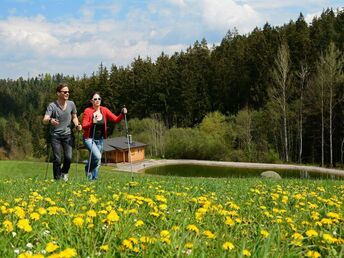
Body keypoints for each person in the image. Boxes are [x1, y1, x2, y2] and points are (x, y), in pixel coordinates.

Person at [82, 92, 127, 180]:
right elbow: (84, 125)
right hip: (89, 139)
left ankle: (94, 180)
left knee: (98, 162)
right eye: (95, 99)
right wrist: (92, 123)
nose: (97, 100)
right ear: (91, 101)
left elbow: (116, 119)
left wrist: (122, 113)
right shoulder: (88, 111)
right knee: (98, 156)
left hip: (100, 139)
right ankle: (88, 169)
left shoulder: (104, 110)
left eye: (99, 99)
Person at [43, 83, 82, 181]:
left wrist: (77, 125)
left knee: (68, 158)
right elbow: (45, 119)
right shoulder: (52, 106)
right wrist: (50, 120)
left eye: (68, 92)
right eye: (65, 92)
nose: (67, 93)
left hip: (67, 135)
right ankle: (57, 180)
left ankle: (64, 172)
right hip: (55, 135)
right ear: (58, 93)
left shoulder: (71, 104)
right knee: (57, 159)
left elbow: (74, 117)